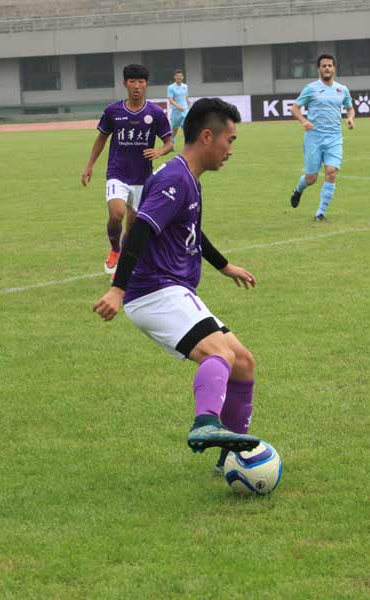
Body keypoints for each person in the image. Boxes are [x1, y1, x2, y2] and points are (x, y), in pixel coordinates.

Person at [92, 98, 261, 469]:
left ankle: (229, 459)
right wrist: (117, 289)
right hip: (154, 291)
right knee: (220, 354)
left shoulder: (188, 177)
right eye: (229, 140)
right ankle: (205, 423)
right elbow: (137, 233)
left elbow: (192, 231)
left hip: (172, 290)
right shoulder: (174, 178)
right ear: (206, 137)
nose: (230, 150)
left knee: (244, 362)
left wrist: (224, 265)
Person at [82, 64, 174, 276]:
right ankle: (115, 249)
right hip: (117, 173)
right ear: (125, 84)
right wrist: (89, 166)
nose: (137, 86)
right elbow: (101, 139)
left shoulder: (155, 113)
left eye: (141, 82)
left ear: (146, 85)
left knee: (132, 227)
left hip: (143, 178)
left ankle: (123, 259)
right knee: (117, 214)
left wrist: (160, 151)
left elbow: (170, 142)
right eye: (132, 81)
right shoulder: (113, 111)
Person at [289, 54, 355, 222]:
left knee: (331, 172)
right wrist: (304, 121)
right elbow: (295, 108)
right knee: (311, 178)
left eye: (329, 65)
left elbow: (350, 108)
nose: (327, 68)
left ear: (334, 68)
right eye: (324, 65)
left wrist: (350, 118)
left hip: (334, 138)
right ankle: (298, 190)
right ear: (319, 69)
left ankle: (320, 213)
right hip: (314, 138)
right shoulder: (311, 88)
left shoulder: (342, 89)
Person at [167, 69, 189, 142]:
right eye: (177, 76)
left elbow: (186, 97)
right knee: (175, 129)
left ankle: (187, 144)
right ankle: (171, 142)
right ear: (175, 77)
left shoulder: (185, 86)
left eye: (180, 76)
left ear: (182, 77)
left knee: (186, 126)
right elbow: (170, 99)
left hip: (185, 110)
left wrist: (187, 106)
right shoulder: (171, 87)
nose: (179, 77)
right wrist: (178, 106)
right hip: (176, 111)